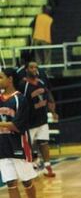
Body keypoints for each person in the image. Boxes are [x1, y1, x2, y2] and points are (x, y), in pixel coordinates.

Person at [0, 68, 37, 198]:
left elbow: (16, 126)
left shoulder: (19, 99)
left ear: (10, 79)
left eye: (1, 77)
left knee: (26, 181)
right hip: (2, 146)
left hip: (19, 145)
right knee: (10, 182)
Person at [18, 61, 58, 177]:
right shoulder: (23, 85)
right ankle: (30, 167)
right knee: (28, 146)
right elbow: (20, 103)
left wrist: (53, 110)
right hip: (30, 121)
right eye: (31, 67)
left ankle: (47, 166)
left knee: (44, 142)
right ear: (26, 70)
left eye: (36, 67)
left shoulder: (41, 82)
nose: (34, 69)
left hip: (42, 119)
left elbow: (48, 94)